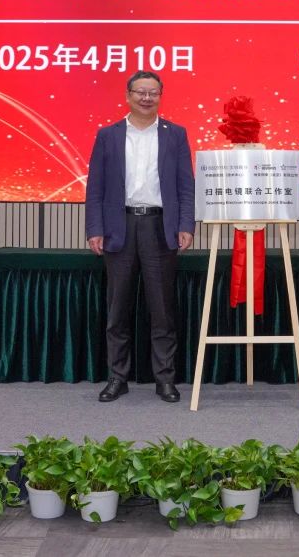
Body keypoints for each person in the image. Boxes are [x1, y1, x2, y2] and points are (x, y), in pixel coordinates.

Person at [85, 70, 195, 403]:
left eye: (153, 93)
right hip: (119, 227)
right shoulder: (108, 135)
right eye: (140, 92)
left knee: (162, 309)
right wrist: (95, 229)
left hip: (160, 227)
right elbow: (96, 188)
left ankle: (165, 379)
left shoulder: (176, 134)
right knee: (117, 309)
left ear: (160, 96)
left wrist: (186, 224)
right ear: (128, 95)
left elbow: (186, 186)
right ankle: (117, 377)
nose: (147, 98)